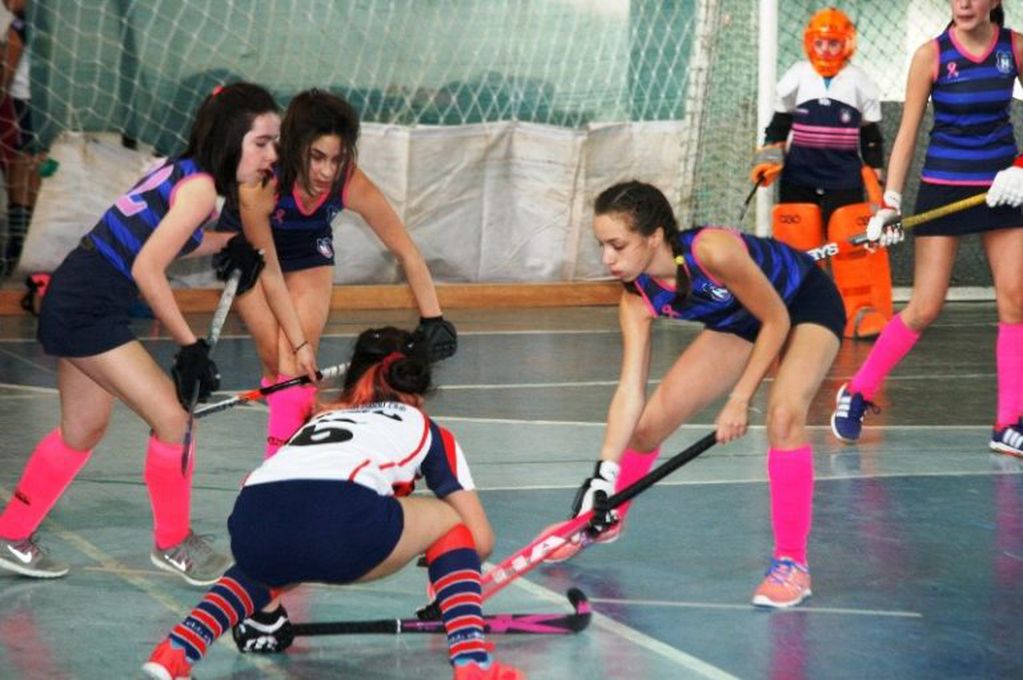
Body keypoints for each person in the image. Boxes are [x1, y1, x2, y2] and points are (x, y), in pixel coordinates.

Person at [0, 82, 280, 585]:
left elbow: (166, 240)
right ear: (232, 137)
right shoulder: (199, 191)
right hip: (87, 308)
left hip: (78, 294)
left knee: (82, 431)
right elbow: (150, 268)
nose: (271, 155)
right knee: (173, 419)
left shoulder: (187, 174)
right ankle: (174, 545)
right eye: (262, 142)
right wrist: (189, 346)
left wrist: (226, 243)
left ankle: (10, 534)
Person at [141, 326, 523, 680]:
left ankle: (177, 648)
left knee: (271, 557)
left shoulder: (317, 421)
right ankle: (473, 661)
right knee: (449, 519)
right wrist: (447, 577)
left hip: (251, 523)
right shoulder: (425, 429)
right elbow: (479, 538)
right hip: (344, 531)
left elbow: (297, 516)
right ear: (418, 389)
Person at [547, 181, 846, 609]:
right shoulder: (636, 298)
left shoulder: (713, 252)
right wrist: (604, 475)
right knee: (648, 425)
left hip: (800, 304)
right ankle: (608, 520)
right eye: (602, 246)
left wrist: (739, 399)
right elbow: (630, 389)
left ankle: (792, 564)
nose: (607, 259)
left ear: (653, 238)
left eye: (617, 245)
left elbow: (776, 320)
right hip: (740, 321)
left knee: (783, 417)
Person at [218, 88, 457, 458]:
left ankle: (280, 470)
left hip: (307, 249)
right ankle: (296, 415)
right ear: (295, 146)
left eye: (337, 158)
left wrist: (433, 318)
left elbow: (406, 250)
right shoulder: (261, 183)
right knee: (279, 358)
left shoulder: (349, 181)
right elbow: (271, 275)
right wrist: (298, 343)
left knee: (292, 367)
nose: (328, 171)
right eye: (316, 157)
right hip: (252, 252)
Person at [831, 0, 1023, 458]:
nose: (964, 3)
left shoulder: (1014, 49)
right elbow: (908, 132)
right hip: (943, 190)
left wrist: (1020, 167)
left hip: (1002, 190)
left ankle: (1008, 422)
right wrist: (889, 202)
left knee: (1016, 298)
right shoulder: (930, 55)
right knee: (924, 307)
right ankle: (857, 391)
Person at [752, 6, 892, 339]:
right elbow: (778, 126)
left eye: (833, 43)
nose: (826, 50)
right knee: (798, 248)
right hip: (799, 177)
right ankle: (798, 312)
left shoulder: (860, 81)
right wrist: (767, 160)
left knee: (849, 248)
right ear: (809, 44)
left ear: (847, 45)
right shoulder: (797, 76)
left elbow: (871, 136)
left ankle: (859, 312)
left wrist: (876, 176)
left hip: (843, 178)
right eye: (820, 44)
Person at [0, 0, 46, 277]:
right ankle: (22, 239)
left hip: (25, 98)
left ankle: (19, 242)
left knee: (23, 162)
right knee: (28, 161)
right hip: (35, 99)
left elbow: (9, 62)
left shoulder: (24, 22)